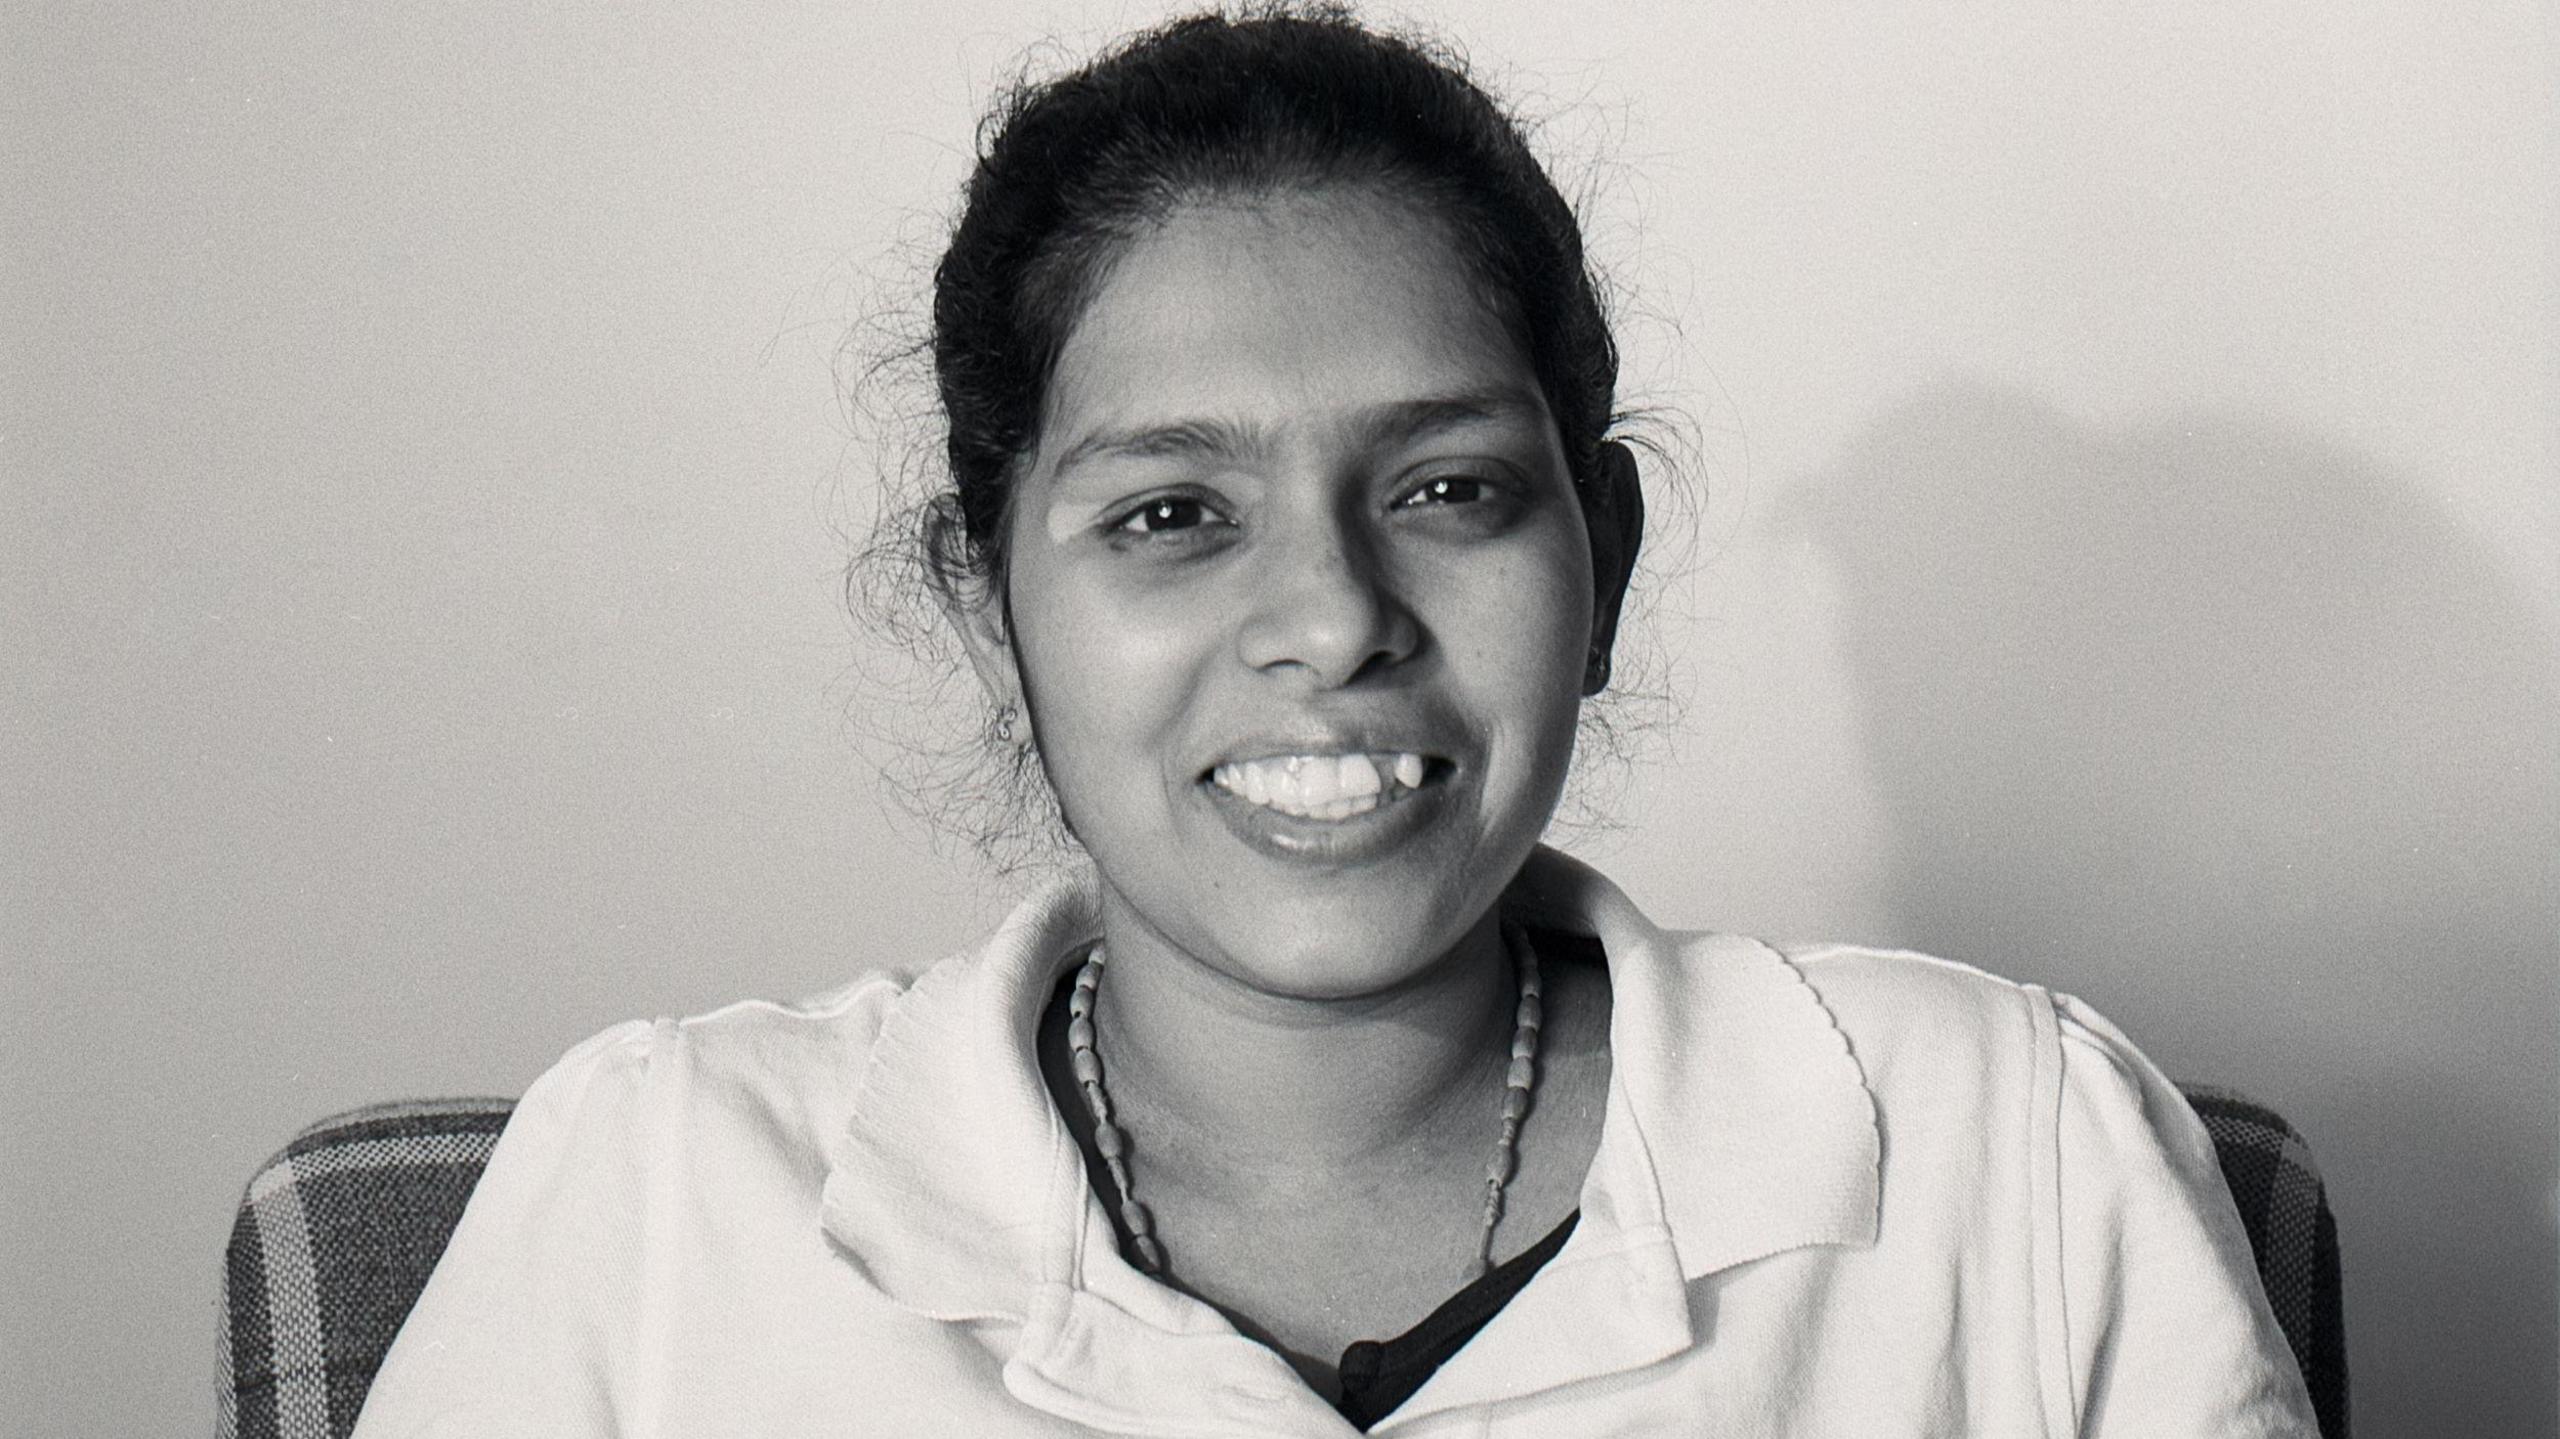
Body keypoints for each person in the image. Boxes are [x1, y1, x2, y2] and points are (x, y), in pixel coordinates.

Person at [350, 9, 2318, 1435]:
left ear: (1600, 555)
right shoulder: (656, 1199)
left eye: (1446, 489)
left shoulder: (2015, 1153)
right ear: (992, 606)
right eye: (1170, 517)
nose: (1327, 622)